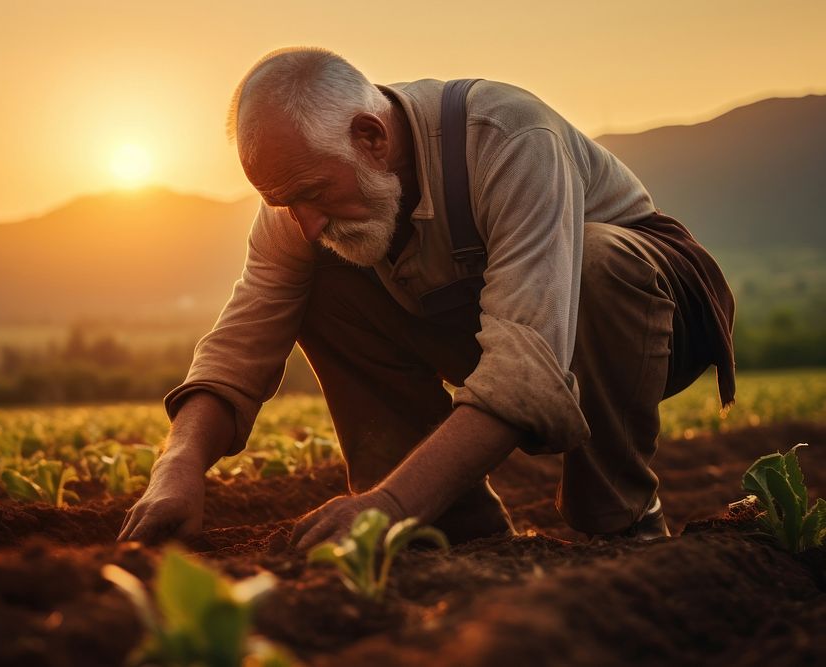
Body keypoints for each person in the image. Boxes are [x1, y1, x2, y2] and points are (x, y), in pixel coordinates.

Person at [118, 47, 735, 548]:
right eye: (285, 203)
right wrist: (176, 469)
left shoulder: (508, 137)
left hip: (642, 319)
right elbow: (242, 337)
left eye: (311, 192)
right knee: (321, 280)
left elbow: (528, 369)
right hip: (490, 327)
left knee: (598, 261)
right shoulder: (301, 198)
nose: (303, 221)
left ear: (371, 136)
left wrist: (390, 502)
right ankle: (452, 528)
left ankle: (624, 522)